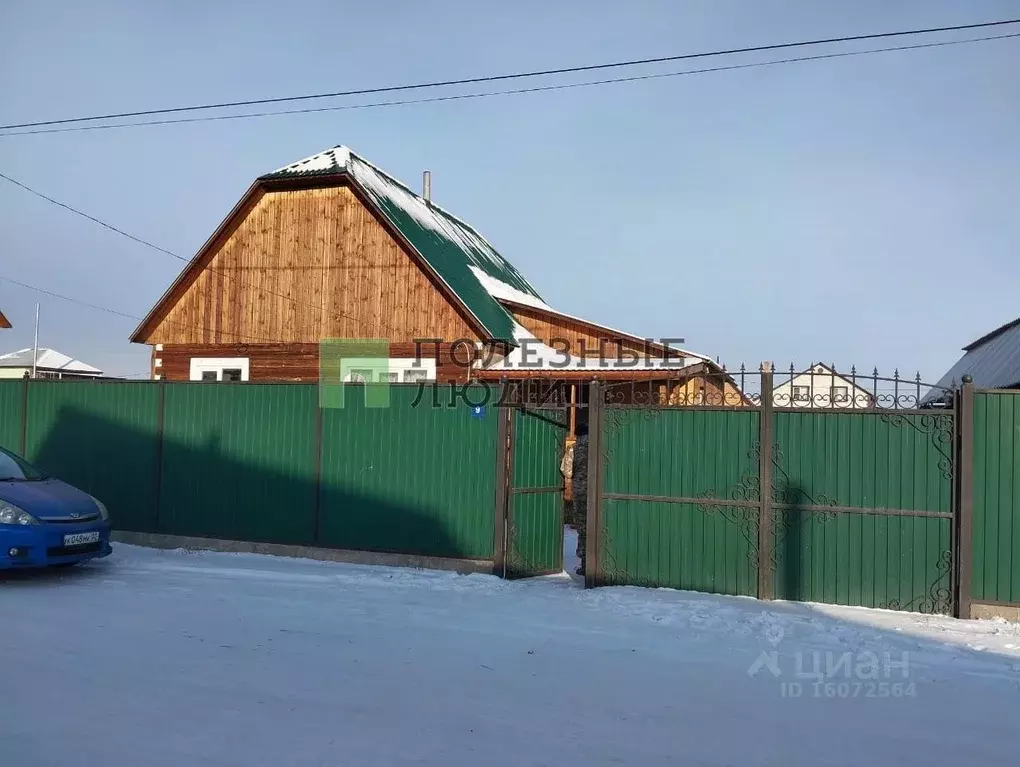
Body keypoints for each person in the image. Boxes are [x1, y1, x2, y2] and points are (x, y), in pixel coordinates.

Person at [571, 421, 588, 576]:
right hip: (596, 492)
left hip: (580, 492)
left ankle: (584, 564)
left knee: (582, 528)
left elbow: (566, 469)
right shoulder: (597, 446)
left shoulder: (574, 449)